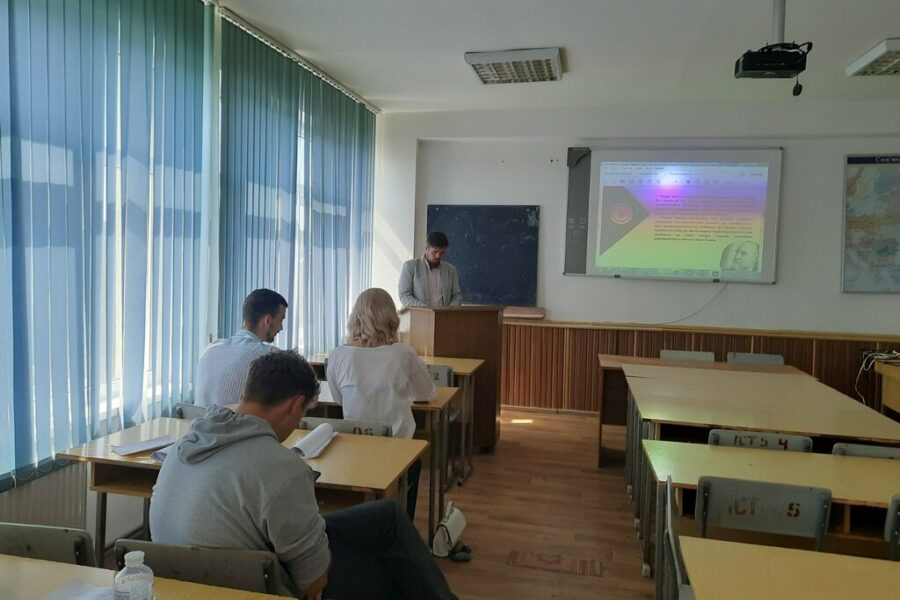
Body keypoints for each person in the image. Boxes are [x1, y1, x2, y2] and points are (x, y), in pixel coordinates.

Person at [150, 350, 457, 600]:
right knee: (388, 571)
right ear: (296, 405)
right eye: (303, 413)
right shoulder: (282, 468)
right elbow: (313, 582)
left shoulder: (185, 445)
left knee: (387, 516)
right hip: (254, 584)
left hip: (182, 577)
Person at [327, 288, 436, 520]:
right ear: (391, 318)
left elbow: (338, 399)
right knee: (412, 468)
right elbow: (426, 393)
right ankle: (402, 526)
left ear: (355, 317)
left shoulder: (337, 355)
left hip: (355, 450)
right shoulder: (403, 353)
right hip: (397, 451)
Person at [194, 289, 287, 407]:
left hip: (200, 419)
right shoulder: (272, 357)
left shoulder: (209, 350)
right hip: (240, 420)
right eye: (281, 320)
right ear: (267, 320)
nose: (281, 327)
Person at [398, 231, 462, 307]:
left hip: (443, 314)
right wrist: (426, 310)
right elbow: (404, 295)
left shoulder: (451, 270)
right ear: (427, 249)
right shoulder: (410, 266)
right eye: (434, 252)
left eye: (442, 253)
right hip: (417, 313)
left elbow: (456, 296)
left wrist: (448, 310)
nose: (438, 256)